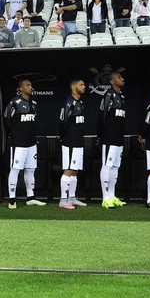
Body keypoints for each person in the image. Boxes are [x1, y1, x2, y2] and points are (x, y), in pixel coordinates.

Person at [3, 79, 47, 209]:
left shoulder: (34, 103)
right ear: (21, 88)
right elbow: (6, 120)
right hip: (18, 143)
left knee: (30, 169)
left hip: (31, 143)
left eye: (31, 85)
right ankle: (12, 199)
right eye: (27, 85)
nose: (31, 87)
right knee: (15, 170)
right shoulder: (14, 102)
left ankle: (30, 197)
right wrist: (13, 134)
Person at [98, 71, 127, 209]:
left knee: (115, 167)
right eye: (119, 77)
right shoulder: (108, 94)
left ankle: (112, 195)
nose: (122, 79)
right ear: (111, 81)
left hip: (118, 137)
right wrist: (102, 135)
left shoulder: (121, 95)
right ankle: (105, 198)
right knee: (107, 166)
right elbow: (102, 116)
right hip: (109, 137)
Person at [58, 78, 87, 210]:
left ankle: (72, 198)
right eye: (81, 85)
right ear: (74, 87)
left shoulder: (80, 102)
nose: (84, 86)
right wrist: (65, 138)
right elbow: (62, 122)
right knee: (68, 170)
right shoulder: (69, 103)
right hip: (69, 141)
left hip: (78, 141)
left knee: (75, 171)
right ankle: (63, 200)